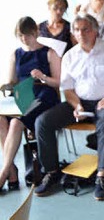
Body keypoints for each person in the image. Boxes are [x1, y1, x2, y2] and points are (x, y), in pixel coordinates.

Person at [34, 14, 104, 199]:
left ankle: (103, 173)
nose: (81, 33)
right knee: (42, 122)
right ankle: (52, 171)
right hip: (79, 101)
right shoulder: (70, 56)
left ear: (95, 31)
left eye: (85, 29)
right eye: (77, 30)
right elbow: (67, 88)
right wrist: (76, 106)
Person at [0, 17, 61, 191]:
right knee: (1, 119)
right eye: (20, 36)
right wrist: (7, 86)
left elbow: (58, 83)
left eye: (27, 35)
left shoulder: (49, 53)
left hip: (44, 95)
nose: (24, 39)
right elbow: (11, 81)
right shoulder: (16, 54)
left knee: (16, 121)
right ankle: (11, 171)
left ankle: (4, 173)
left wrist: (43, 77)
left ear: (35, 32)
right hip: (23, 95)